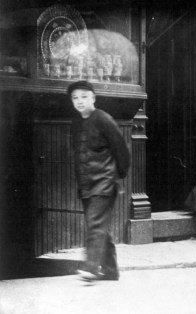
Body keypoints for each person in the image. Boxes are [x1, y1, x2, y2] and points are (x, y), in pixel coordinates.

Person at [68, 80, 130, 282]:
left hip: (104, 183)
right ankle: (111, 271)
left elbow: (122, 149)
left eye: (84, 97)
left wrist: (118, 174)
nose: (79, 101)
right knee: (99, 226)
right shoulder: (76, 123)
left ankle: (90, 268)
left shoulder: (103, 119)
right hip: (86, 185)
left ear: (93, 98)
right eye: (75, 97)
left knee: (95, 225)